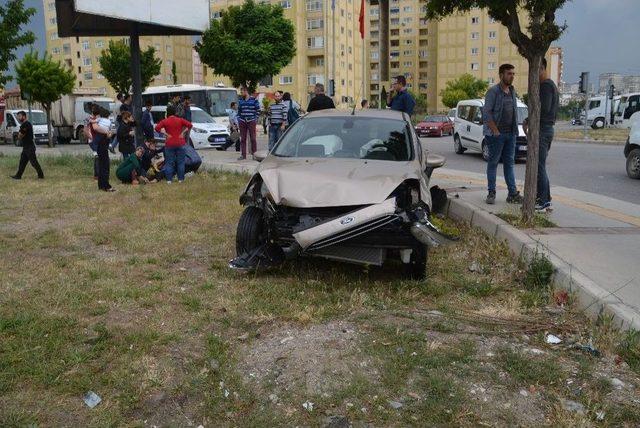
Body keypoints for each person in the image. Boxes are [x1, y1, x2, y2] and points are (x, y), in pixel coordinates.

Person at [482, 64, 523, 205]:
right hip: (496, 135)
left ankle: (512, 194)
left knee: (509, 164)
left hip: (511, 134)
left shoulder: (512, 90)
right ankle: (491, 193)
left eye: (513, 73)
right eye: (508, 73)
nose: (512, 76)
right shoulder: (493, 92)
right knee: (493, 163)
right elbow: (487, 113)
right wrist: (495, 131)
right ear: (501, 75)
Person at [523, 58, 559, 213]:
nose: (535, 74)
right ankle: (546, 200)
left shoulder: (545, 86)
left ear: (543, 68)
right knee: (540, 166)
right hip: (546, 129)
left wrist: (528, 120)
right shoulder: (552, 86)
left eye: (537, 70)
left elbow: (542, 110)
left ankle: (543, 202)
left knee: (539, 167)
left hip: (543, 129)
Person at [154, 105, 192, 184]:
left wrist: (165, 134)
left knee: (169, 162)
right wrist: (183, 133)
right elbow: (190, 125)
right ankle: (180, 180)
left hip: (169, 143)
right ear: (175, 112)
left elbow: (157, 128)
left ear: (167, 112)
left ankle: (169, 180)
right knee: (181, 162)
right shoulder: (180, 120)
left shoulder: (165, 121)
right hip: (180, 142)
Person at [10, 111, 44, 180]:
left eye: (19, 116)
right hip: (26, 147)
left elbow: (21, 135)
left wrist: (19, 135)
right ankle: (18, 176)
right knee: (22, 162)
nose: (18, 118)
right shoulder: (24, 124)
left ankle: (41, 175)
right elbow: (20, 134)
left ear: (24, 116)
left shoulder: (26, 124)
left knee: (33, 162)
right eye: (18, 116)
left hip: (29, 147)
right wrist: (19, 134)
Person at [92, 106, 115, 192]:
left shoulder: (98, 122)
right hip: (103, 145)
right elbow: (109, 134)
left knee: (101, 166)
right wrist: (109, 134)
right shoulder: (107, 123)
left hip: (99, 145)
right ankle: (106, 186)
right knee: (105, 166)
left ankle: (101, 185)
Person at [237, 85, 261, 160]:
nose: (241, 93)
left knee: (253, 138)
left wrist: (255, 119)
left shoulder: (254, 100)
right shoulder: (240, 100)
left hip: (251, 121)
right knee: (243, 139)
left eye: (242, 91)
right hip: (242, 121)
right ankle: (243, 155)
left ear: (246, 91)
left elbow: (258, 110)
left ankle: (255, 155)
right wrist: (239, 119)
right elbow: (239, 111)